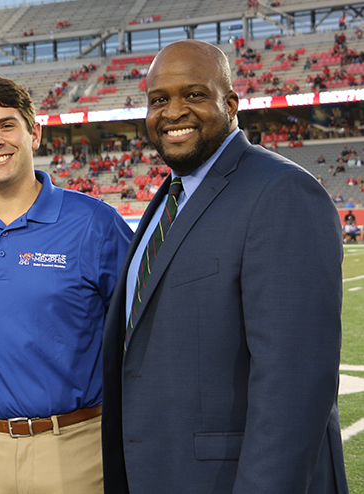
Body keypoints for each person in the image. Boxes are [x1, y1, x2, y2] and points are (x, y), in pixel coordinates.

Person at [102, 39, 347, 493]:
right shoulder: (171, 196)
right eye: (159, 100)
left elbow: (294, 386)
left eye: (194, 95)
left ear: (231, 104)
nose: (173, 112)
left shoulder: (282, 192)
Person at [0, 75, 132, 493]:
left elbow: (145, 330)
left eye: (7, 125)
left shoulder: (95, 224)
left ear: (34, 133)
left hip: (74, 447)